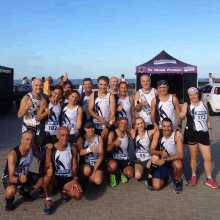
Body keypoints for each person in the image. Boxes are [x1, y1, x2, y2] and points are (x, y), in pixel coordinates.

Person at [180, 87, 219, 188]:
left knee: (208, 157)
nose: (193, 96)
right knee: (194, 157)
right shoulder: (186, 104)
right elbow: (183, 114)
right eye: (191, 95)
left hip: (203, 134)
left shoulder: (204, 104)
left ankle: (209, 179)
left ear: (198, 94)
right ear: (189, 96)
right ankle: (193, 176)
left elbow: (208, 117)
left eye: (195, 94)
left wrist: (209, 128)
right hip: (191, 134)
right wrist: (182, 115)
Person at [42, 127, 83, 215]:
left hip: (67, 179)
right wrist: (48, 171)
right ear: (57, 136)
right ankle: (48, 199)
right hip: (55, 178)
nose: (65, 138)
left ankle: (64, 191)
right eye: (62, 135)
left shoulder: (73, 147)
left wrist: (75, 178)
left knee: (78, 195)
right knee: (46, 178)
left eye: (67, 135)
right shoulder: (51, 149)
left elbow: (74, 165)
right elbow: (46, 167)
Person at [2, 131, 41, 211]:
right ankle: (9, 199)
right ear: (22, 140)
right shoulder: (13, 154)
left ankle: (24, 190)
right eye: (27, 139)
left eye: (32, 139)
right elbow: (11, 177)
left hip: (25, 175)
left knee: (42, 181)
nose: (29, 142)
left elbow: (41, 158)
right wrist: (19, 179)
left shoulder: (33, 147)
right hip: (12, 176)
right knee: (11, 190)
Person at [150, 118, 184, 193]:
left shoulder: (176, 135)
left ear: (172, 127)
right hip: (161, 162)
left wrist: (165, 160)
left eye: (168, 126)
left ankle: (176, 180)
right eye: (164, 126)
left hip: (172, 160)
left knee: (178, 164)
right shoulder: (158, 133)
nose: (166, 129)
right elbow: (151, 150)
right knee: (156, 187)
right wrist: (161, 153)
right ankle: (167, 176)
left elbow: (181, 155)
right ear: (161, 126)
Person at [107, 117, 134, 187]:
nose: (123, 125)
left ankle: (122, 172)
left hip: (124, 159)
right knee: (113, 166)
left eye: (125, 124)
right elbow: (108, 149)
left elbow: (134, 132)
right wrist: (114, 143)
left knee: (130, 173)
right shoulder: (112, 133)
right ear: (118, 123)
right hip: (114, 159)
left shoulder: (127, 134)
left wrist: (128, 129)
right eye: (122, 123)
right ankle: (112, 175)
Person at [133, 117, 158, 190]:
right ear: (136, 126)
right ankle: (144, 171)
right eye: (138, 124)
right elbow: (123, 128)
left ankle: (149, 178)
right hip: (138, 161)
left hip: (148, 160)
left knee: (156, 158)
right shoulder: (133, 133)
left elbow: (158, 129)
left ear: (144, 124)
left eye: (141, 123)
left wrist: (177, 131)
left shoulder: (149, 132)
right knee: (137, 176)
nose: (140, 125)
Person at [77, 121, 104, 185]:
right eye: (88, 128)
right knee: (87, 171)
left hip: (96, 163)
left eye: (92, 128)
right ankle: (85, 180)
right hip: (86, 164)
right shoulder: (81, 139)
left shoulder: (99, 138)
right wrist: (90, 150)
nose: (90, 130)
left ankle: (92, 178)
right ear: (85, 129)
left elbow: (101, 155)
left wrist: (94, 171)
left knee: (98, 181)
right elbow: (80, 152)